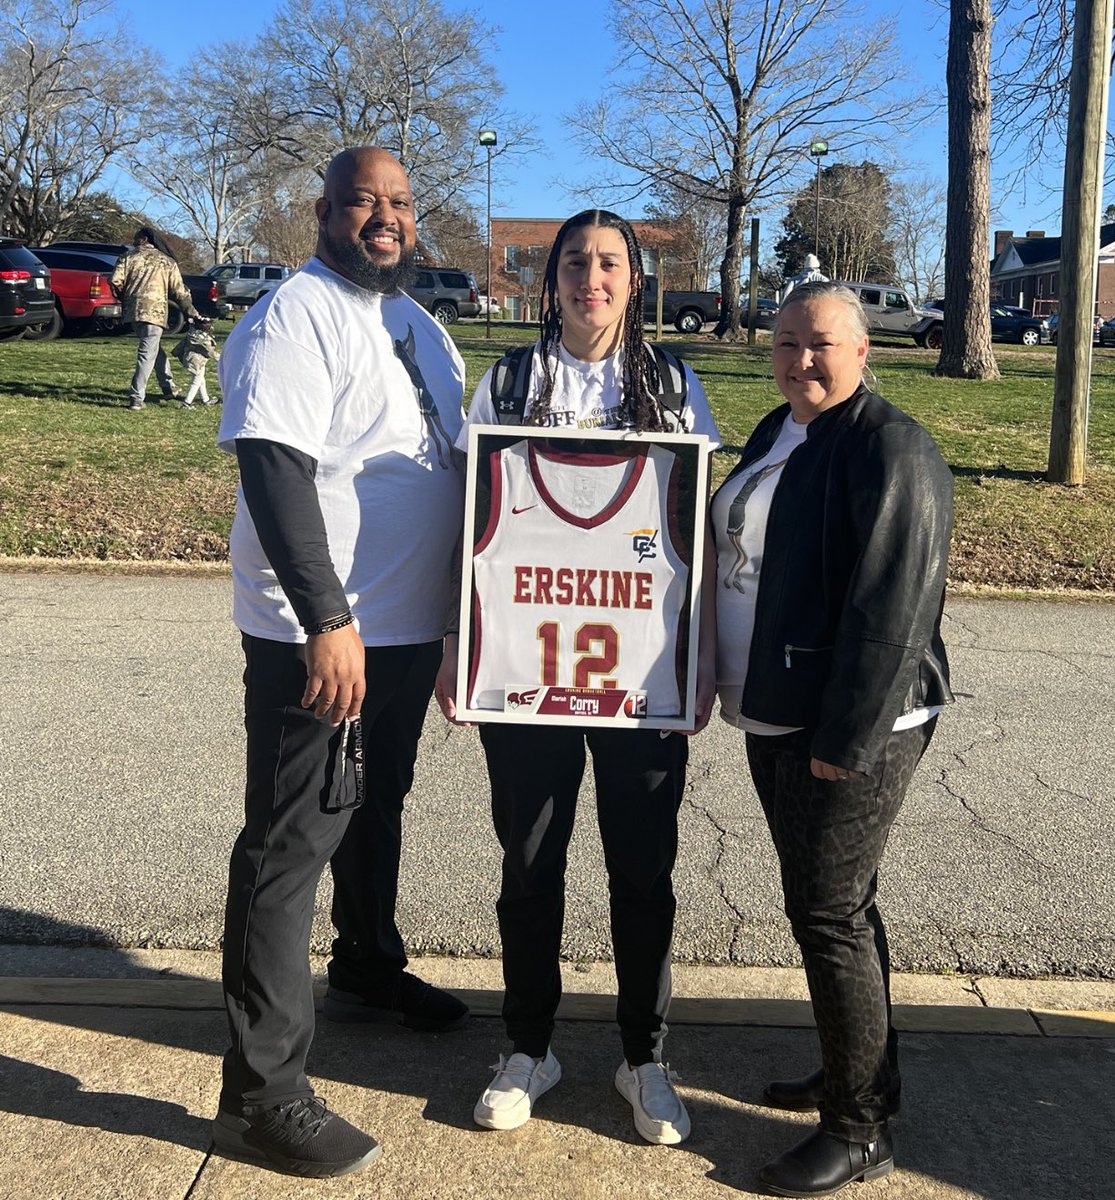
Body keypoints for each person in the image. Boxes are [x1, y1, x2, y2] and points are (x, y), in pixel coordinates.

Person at [435, 209, 720, 1147]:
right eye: (573, 264)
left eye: (608, 264)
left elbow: (697, 537)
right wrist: (455, 645)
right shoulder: (511, 380)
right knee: (529, 864)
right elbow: (468, 528)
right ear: (547, 278)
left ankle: (644, 1056)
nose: (590, 279)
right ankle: (530, 1047)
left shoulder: (674, 386)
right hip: (526, 672)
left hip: (641, 678)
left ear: (635, 279)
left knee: (643, 871)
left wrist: (703, 656)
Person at [211, 146, 470, 1179]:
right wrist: (325, 619)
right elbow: (275, 467)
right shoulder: (295, 317)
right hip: (321, 637)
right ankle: (261, 1095)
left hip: (404, 631)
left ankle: (366, 961)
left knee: (375, 805)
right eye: (364, 201)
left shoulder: (416, 324)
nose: (385, 219)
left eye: (400, 204)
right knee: (288, 846)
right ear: (322, 211)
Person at [709, 280, 953, 1197]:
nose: (799, 361)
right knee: (838, 905)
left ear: (863, 352)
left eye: (819, 344)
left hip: (849, 721)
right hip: (774, 704)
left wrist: (845, 737)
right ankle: (862, 1070)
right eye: (784, 343)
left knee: (828, 912)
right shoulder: (780, 434)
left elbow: (896, 606)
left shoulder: (890, 447)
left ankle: (859, 1128)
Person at [110, 228, 200, 410]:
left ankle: (168, 386)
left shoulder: (127, 257)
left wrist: (126, 298)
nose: (134, 241)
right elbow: (179, 291)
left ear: (143, 239)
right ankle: (136, 396)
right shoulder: (167, 261)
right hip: (155, 313)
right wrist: (192, 312)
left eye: (136, 238)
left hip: (133, 312)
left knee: (153, 348)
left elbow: (115, 281)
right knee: (147, 353)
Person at [175, 316, 220, 408]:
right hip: (197, 362)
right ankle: (187, 403)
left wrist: (175, 352)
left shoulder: (192, 333)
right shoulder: (203, 339)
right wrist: (221, 358)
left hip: (190, 360)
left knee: (201, 380)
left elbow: (181, 345)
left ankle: (206, 399)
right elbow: (210, 352)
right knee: (196, 382)